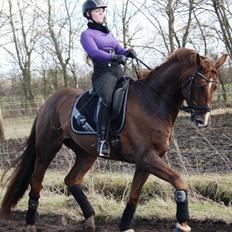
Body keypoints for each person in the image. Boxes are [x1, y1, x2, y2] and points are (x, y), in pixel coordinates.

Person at [81, 0, 136, 158]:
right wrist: (114, 56)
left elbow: (119, 49)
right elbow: (95, 52)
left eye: (102, 11)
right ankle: (102, 140)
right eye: (97, 11)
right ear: (88, 14)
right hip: (103, 74)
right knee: (107, 99)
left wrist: (127, 52)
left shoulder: (108, 33)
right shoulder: (86, 35)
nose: (101, 13)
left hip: (117, 72)